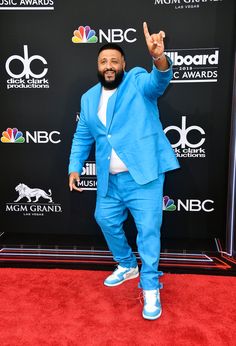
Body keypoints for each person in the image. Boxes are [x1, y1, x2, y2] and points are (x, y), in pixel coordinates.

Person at [68, 22, 179, 320]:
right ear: (97, 66)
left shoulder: (137, 81)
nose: (108, 66)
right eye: (103, 61)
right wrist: (74, 167)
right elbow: (82, 136)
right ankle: (127, 264)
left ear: (124, 65)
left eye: (114, 61)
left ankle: (151, 285)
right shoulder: (88, 98)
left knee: (148, 232)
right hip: (110, 180)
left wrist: (158, 58)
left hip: (144, 177)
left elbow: (159, 81)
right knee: (103, 218)